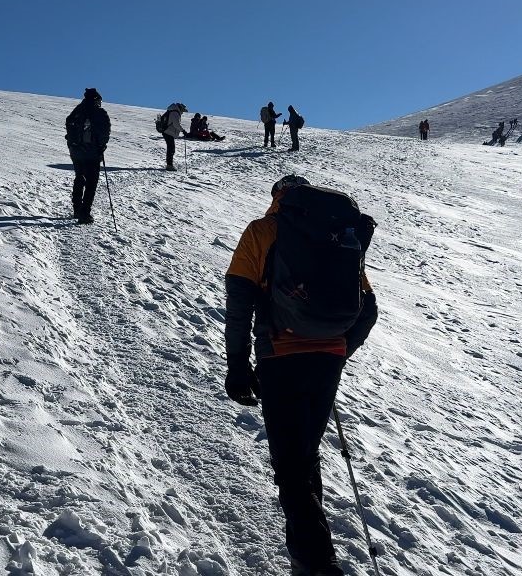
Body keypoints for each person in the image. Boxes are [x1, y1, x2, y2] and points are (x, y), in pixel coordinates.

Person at [223, 175, 379, 576]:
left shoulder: (263, 232)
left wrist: (238, 368)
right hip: (328, 358)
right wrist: (340, 351)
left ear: (278, 197)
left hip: (281, 356)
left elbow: (239, 304)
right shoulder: (337, 236)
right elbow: (368, 307)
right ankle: (304, 557)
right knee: (303, 458)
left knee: (291, 468)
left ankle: (317, 565)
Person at [64, 88, 111, 224]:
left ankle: (77, 209)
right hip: (92, 152)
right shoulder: (99, 112)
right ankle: (85, 213)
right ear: (97, 99)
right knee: (92, 182)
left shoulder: (77, 110)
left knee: (79, 177)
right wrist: (101, 146)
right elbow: (105, 132)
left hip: (76, 151)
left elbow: (69, 124)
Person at [162, 102, 187, 171]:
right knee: (171, 149)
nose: (182, 112)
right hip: (168, 132)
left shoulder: (173, 111)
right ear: (180, 108)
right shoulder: (175, 113)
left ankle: (169, 164)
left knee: (171, 148)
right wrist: (183, 130)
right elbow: (176, 124)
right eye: (183, 110)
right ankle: (169, 165)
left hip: (168, 132)